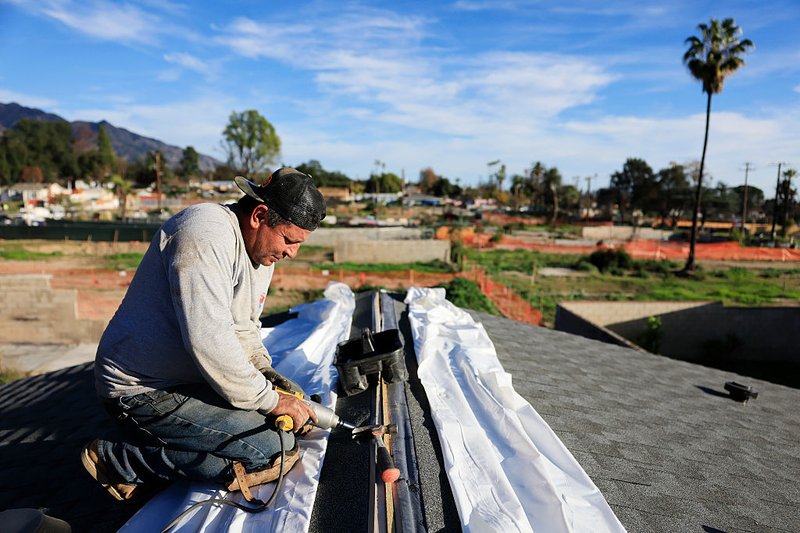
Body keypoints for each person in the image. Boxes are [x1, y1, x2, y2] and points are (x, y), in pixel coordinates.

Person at [81, 167, 326, 501]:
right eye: (289, 240)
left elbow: (244, 329)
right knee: (271, 450)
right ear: (259, 215)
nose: (291, 253)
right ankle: (120, 460)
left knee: (290, 403)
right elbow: (210, 341)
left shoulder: (259, 254)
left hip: (190, 378)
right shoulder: (203, 235)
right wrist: (269, 400)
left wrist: (269, 377)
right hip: (141, 390)